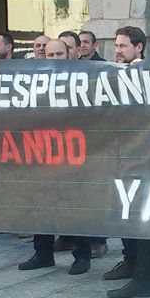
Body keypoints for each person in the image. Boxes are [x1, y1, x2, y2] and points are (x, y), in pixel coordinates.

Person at [17, 39, 94, 276]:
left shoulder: (84, 78)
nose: (55, 58)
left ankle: (82, 256)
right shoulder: (31, 81)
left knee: (76, 206)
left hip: (73, 152)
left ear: (69, 54)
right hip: (41, 151)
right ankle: (43, 253)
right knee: (40, 204)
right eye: (50, 54)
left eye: (59, 53)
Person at [105, 26, 150, 298]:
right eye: (116, 46)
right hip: (122, 156)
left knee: (145, 218)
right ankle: (132, 262)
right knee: (126, 214)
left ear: (139, 47)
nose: (117, 51)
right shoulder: (114, 74)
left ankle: (148, 273)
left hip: (148, 159)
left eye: (122, 46)